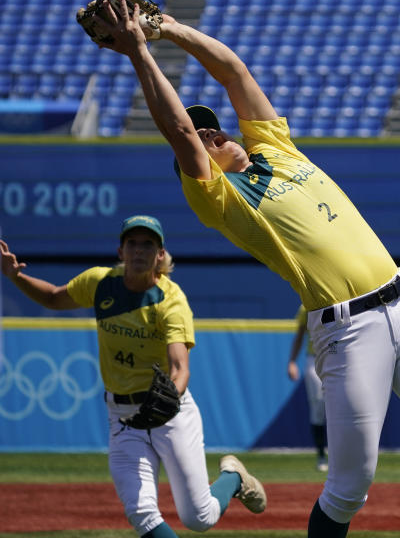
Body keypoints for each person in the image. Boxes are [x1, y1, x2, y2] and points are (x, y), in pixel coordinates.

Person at [94, 0, 400, 538]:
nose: (213, 135)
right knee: (350, 485)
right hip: (348, 331)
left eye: (214, 128)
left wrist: (168, 28)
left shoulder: (276, 148)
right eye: (203, 138)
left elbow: (234, 71)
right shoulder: (220, 199)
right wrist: (140, 53)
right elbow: (179, 132)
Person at [0, 216, 266, 538]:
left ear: (160, 255)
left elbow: (180, 367)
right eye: (133, 243)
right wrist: (15, 276)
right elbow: (55, 297)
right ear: (121, 251)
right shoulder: (101, 283)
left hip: (170, 416)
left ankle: (234, 477)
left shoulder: (171, 300)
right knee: (141, 512)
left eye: (148, 244)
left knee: (199, 517)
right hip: (123, 419)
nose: (139, 250)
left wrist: (170, 397)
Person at [288, 304, 328, 472]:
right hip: (314, 359)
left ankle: (341, 455)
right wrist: (291, 361)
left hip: (336, 357)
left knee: (341, 408)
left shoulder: (339, 299)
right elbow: (300, 335)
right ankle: (321, 455)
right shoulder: (306, 306)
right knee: (318, 407)